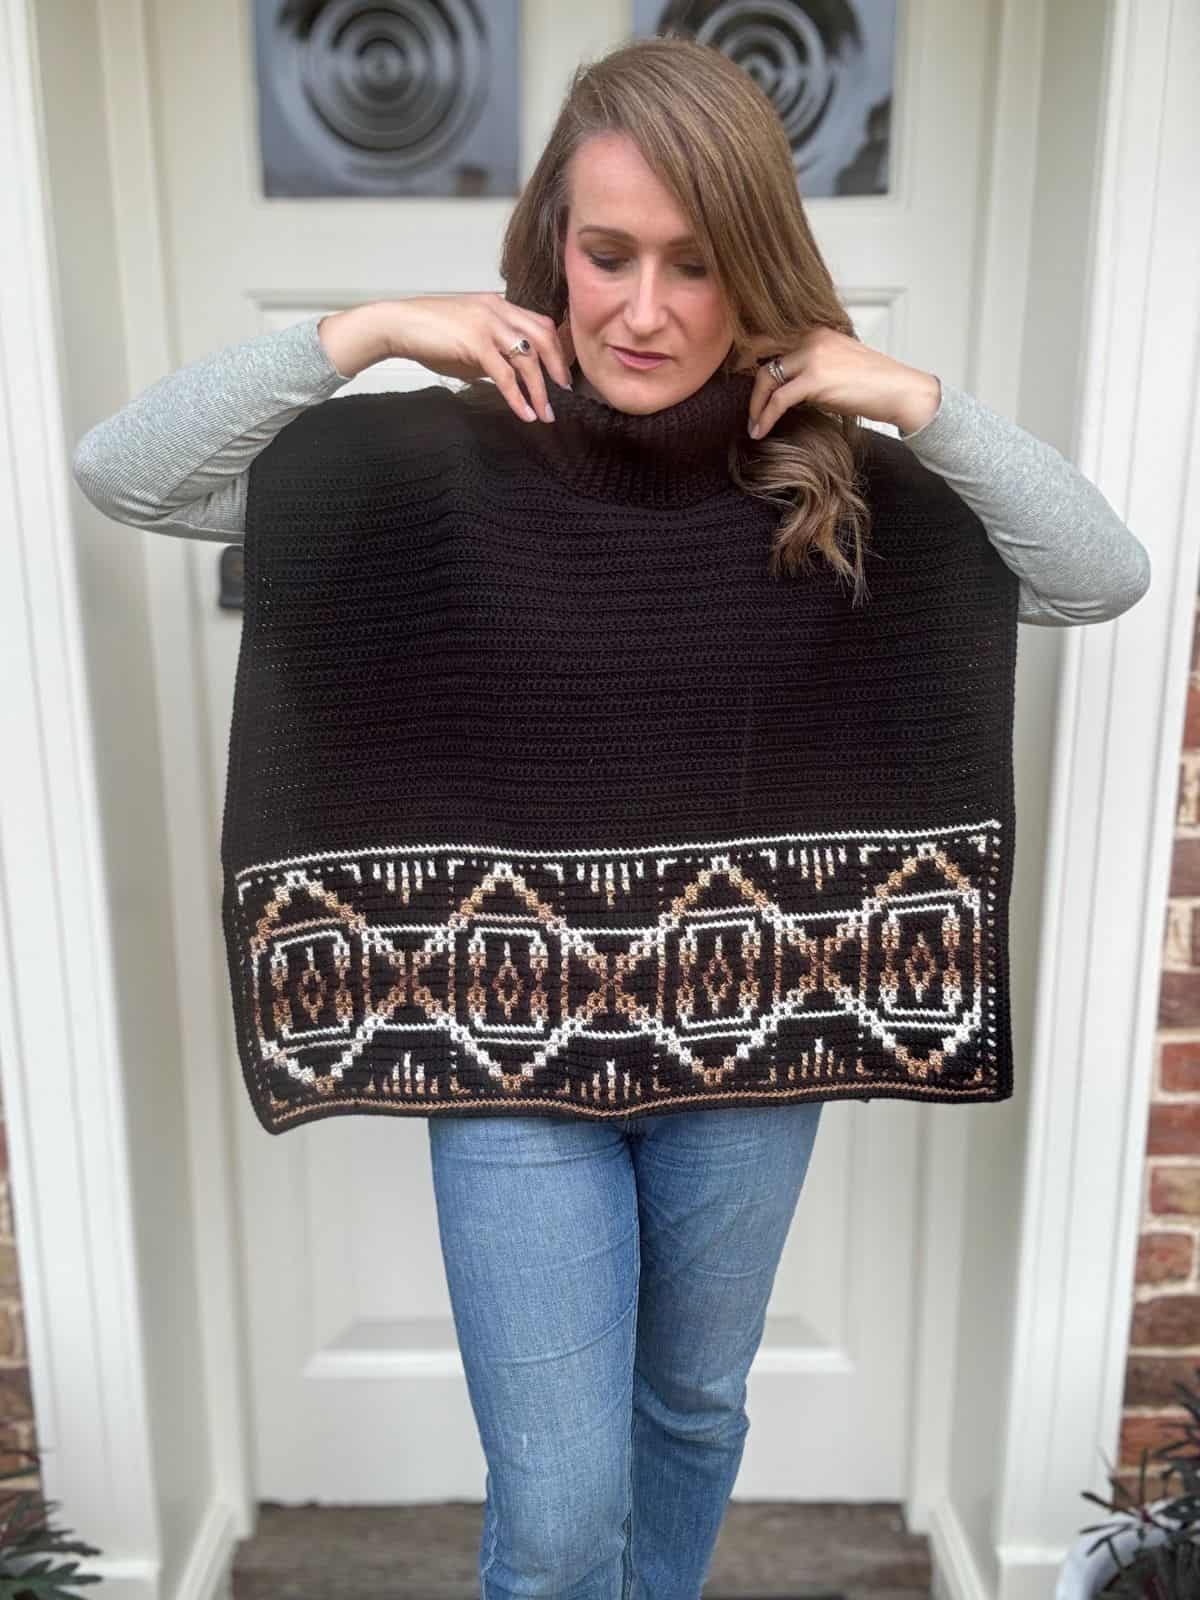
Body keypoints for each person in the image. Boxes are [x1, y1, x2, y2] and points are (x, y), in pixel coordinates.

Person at [72, 33, 1149, 1600]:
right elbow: (129, 475)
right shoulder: (432, 460)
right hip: (507, 1055)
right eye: (608, 253)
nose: (645, 308)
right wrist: (369, 330)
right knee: (563, 1496)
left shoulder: (830, 480)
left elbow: (1098, 573)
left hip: (748, 1041)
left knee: (692, 1409)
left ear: (757, 270)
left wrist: (915, 397)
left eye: (698, 265)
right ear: (550, 251)